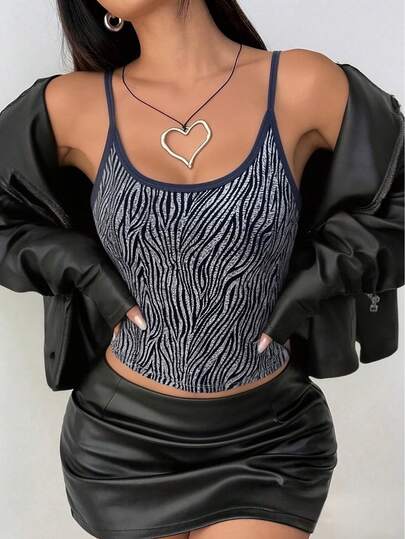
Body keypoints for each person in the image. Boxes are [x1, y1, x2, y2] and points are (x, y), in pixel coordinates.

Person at [0, 1, 403, 538]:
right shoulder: (72, 105)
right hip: (123, 446)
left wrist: (320, 278)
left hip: (271, 440)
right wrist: (82, 268)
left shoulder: (301, 83)